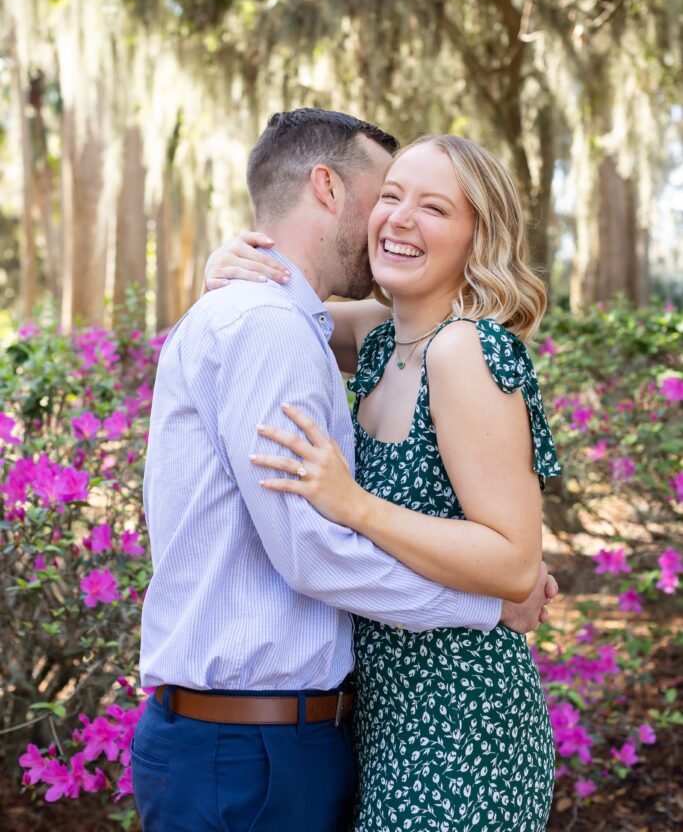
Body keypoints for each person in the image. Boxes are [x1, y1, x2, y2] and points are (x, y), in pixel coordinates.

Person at [134, 109, 557, 832]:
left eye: (433, 207)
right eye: (390, 193)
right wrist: (228, 268)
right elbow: (280, 313)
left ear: (476, 235)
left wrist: (353, 504)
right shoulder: (377, 335)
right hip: (375, 719)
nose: (394, 218)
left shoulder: (462, 350)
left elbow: (517, 564)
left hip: (458, 723)